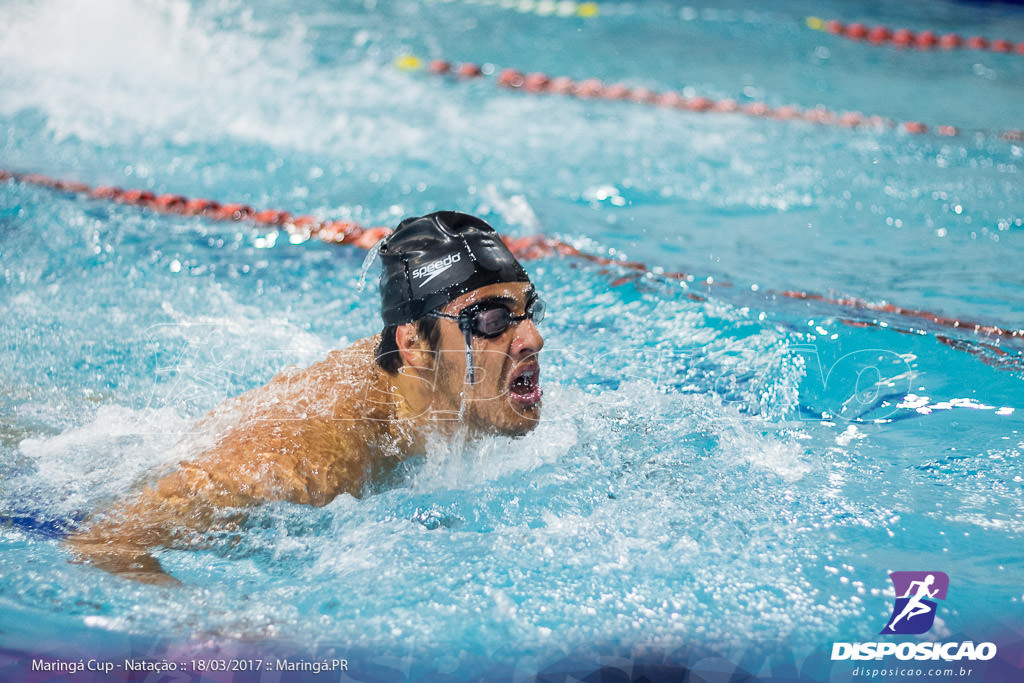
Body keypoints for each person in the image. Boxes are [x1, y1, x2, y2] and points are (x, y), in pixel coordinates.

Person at [65, 211, 546, 584]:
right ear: (413, 345)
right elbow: (106, 541)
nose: (531, 339)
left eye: (529, 310)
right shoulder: (314, 459)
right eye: (491, 320)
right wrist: (208, 621)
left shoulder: (446, 389)